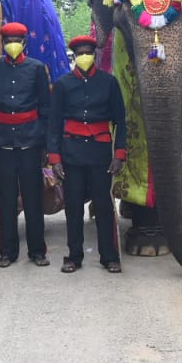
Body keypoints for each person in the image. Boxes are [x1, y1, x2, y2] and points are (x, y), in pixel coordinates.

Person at [48, 35, 128, 274]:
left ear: (94, 55)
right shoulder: (62, 85)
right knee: (73, 207)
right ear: (74, 56)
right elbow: (53, 124)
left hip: (100, 153)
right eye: (80, 53)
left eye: (88, 52)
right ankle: (74, 256)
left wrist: (119, 155)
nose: (84, 57)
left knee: (103, 206)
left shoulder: (109, 83)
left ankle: (109, 256)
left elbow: (120, 122)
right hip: (71, 153)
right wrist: (55, 159)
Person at [0, 21, 51, 267]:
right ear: (2, 43)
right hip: (3, 143)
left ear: (24, 43)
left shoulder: (37, 69)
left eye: (16, 41)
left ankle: (38, 252)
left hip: (30, 142)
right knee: (6, 201)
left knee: (33, 199)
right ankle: (7, 253)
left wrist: (44, 146)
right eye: (7, 41)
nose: (12, 45)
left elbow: (45, 109)